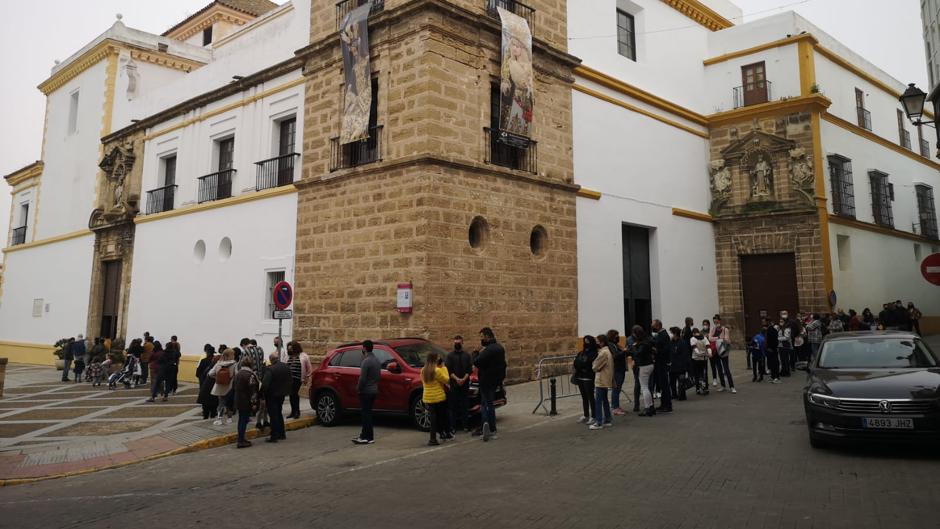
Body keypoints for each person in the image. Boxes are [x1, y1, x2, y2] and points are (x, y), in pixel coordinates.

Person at [472, 327, 506, 441]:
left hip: (486, 382)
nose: (481, 340)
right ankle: (492, 428)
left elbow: (476, 361)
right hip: (495, 381)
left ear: (487, 337)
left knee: (485, 405)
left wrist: (476, 352)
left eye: (482, 337)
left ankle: (488, 427)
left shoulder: (488, 350)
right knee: (490, 404)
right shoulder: (500, 348)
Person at [353, 340, 381, 445]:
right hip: (374, 390)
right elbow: (378, 377)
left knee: (365, 414)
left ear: (364, 348)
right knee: (368, 414)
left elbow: (362, 378)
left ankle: (365, 436)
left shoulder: (366, 361)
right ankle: (369, 436)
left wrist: (358, 388)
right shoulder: (377, 360)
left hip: (366, 391)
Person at [421, 350, 451, 446]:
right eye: (437, 357)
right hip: (438, 396)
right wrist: (444, 368)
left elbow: (423, 383)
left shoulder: (423, 370)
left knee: (433, 418)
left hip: (427, 396)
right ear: (434, 359)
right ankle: (442, 434)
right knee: (441, 416)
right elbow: (447, 380)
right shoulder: (437, 370)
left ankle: (432, 439)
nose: (439, 359)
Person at [262, 353, 292, 443]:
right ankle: (282, 433)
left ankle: (274, 435)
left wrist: (262, 394)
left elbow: (265, 384)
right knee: (279, 413)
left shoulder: (270, 369)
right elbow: (290, 379)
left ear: (271, 360)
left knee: (273, 415)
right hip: (282, 394)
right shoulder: (286, 367)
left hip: (272, 395)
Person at [445, 335, 472, 432]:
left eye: (459, 343)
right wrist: (457, 380)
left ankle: (465, 426)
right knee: (453, 407)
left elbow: (469, 370)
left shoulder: (467, 355)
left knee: (465, 406)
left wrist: (463, 379)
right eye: (455, 343)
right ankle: (453, 427)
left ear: (462, 343)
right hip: (454, 384)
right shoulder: (450, 356)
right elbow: (449, 370)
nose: (457, 344)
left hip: (464, 384)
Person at [239, 338, 268, 430]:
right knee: (262, 399)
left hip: (250, 376)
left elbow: (241, 365)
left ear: (244, 345)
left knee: (250, 397)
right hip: (260, 377)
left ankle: (250, 415)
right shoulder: (260, 349)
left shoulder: (245, 351)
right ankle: (263, 420)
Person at [233, 355, 259, 449]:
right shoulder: (250, 375)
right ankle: (241, 440)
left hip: (238, 400)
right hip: (246, 401)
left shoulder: (238, 374)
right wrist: (254, 404)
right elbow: (253, 391)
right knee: (243, 421)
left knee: (241, 420)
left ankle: (241, 438)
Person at [590, 334, 614, 430]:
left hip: (601, 379)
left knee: (599, 401)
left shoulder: (603, 353)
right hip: (606, 378)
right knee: (604, 400)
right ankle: (607, 419)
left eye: (598, 341)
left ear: (602, 342)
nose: (596, 343)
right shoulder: (608, 351)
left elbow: (595, 366)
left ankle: (599, 422)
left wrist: (595, 367)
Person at [573, 336, 598, 424]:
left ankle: (594, 415)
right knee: (584, 397)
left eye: (588, 341)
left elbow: (588, 363)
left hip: (588, 377)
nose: (586, 343)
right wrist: (581, 364)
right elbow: (576, 362)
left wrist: (583, 364)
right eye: (585, 341)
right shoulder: (581, 353)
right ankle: (586, 414)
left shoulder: (594, 353)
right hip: (580, 376)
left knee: (590, 396)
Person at [209, 348, 238, 425]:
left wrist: (217, 378)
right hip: (230, 387)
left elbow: (210, 373)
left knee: (221, 403)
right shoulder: (234, 364)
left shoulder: (218, 364)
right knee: (230, 403)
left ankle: (219, 419)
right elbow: (237, 375)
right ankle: (229, 419)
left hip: (220, 386)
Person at [633, 326, 656, 416]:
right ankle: (651, 407)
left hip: (644, 366)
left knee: (644, 388)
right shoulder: (648, 340)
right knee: (647, 387)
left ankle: (647, 408)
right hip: (650, 364)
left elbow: (638, 354)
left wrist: (634, 347)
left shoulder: (642, 343)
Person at [709, 315, 735, 394]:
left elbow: (726, 339)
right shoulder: (713, 329)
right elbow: (710, 338)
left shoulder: (725, 329)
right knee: (719, 369)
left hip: (723, 351)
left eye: (716, 321)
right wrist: (719, 338)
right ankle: (723, 386)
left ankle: (732, 387)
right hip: (716, 351)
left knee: (726, 369)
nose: (715, 323)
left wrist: (716, 338)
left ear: (720, 321)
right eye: (714, 321)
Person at [286, 341, 311, 419]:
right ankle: (293, 411)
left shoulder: (304, 356)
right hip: (289, 379)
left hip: (298, 378)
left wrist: (307, 377)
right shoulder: (288, 357)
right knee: (291, 395)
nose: (290, 350)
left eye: (291, 349)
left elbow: (309, 368)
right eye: (289, 349)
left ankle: (297, 411)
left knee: (294, 394)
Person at [652, 320, 673, 411]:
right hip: (659, 362)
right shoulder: (660, 334)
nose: (652, 327)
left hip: (662, 362)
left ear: (658, 326)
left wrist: (657, 351)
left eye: (653, 325)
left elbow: (666, 349)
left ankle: (667, 405)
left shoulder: (663, 335)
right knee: (661, 384)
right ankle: (663, 404)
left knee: (664, 384)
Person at [196, 345, 219, 420]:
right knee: (213, 403)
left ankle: (205, 417)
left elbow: (197, 373)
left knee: (205, 403)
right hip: (215, 386)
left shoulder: (203, 361)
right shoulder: (218, 362)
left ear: (207, 352)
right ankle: (212, 416)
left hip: (205, 385)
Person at [608, 330, 628, 416]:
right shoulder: (611, 345)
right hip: (616, 370)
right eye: (616, 335)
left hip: (621, 369)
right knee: (616, 389)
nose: (618, 337)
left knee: (618, 388)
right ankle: (614, 407)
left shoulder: (615, 345)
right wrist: (623, 351)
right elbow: (615, 355)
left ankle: (616, 406)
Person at [669, 326, 690, 400]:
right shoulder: (671, 342)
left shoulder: (682, 342)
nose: (671, 335)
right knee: (672, 381)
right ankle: (674, 394)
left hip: (680, 365)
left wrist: (684, 366)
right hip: (672, 365)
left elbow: (685, 355)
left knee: (681, 381)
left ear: (675, 334)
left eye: (671, 333)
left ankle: (682, 395)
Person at [690, 328, 710, 395]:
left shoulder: (692, 338)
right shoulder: (704, 338)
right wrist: (710, 353)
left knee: (697, 374)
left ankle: (698, 389)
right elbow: (708, 346)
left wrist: (698, 353)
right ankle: (705, 388)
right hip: (704, 358)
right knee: (704, 373)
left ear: (693, 333)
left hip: (696, 359)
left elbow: (694, 347)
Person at [763, 318, 781, 384]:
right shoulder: (768, 330)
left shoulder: (772, 330)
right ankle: (773, 376)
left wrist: (771, 348)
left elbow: (774, 341)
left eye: (764, 322)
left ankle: (776, 377)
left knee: (774, 363)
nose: (763, 323)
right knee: (771, 363)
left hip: (772, 349)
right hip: (769, 349)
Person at [702, 319, 717, 387]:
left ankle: (714, 379)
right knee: (704, 367)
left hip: (711, 349)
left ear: (709, 325)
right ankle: (705, 380)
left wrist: (709, 336)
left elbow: (714, 339)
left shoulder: (712, 331)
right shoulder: (701, 332)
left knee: (713, 365)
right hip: (704, 350)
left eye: (706, 324)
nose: (705, 326)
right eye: (704, 324)